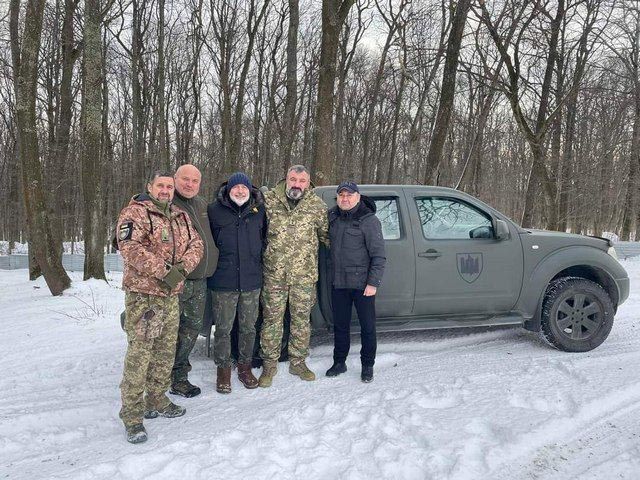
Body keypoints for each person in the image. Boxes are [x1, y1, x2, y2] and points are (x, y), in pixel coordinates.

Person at [116, 171, 204, 444]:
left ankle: (157, 399)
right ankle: (132, 414)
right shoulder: (136, 213)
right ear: (150, 187)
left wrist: (182, 269)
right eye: (160, 185)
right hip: (145, 297)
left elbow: (197, 244)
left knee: (165, 352)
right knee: (140, 354)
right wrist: (166, 272)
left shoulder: (180, 215)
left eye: (169, 186)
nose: (166, 190)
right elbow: (129, 247)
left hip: (170, 296)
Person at [258, 165, 329, 387]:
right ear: (286, 179)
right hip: (274, 276)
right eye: (293, 179)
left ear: (308, 183)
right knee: (271, 321)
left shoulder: (316, 205)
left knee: (301, 322)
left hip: (304, 277)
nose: (297, 184)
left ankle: (298, 362)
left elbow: (327, 236)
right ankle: (269, 364)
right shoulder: (268, 201)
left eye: (302, 181)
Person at [207, 172, 267, 393]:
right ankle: (223, 370)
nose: (240, 191)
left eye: (244, 187)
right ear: (228, 190)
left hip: (252, 281)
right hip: (223, 281)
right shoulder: (214, 211)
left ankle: (244, 367)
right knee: (223, 329)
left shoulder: (260, 211)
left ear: (250, 190)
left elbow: (266, 239)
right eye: (236, 187)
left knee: (248, 328)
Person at [325, 181, 385, 383]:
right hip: (339, 282)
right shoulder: (332, 217)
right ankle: (339, 362)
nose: (345, 198)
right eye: (341, 195)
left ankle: (367, 365)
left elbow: (379, 256)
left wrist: (373, 283)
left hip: (363, 285)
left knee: (367, 327)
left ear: (358, 197)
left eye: (349, 195)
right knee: (340, 326)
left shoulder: (369, 221)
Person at [170, 164, 219, 398]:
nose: (189, 184)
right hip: (175, 282)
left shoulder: (201, 205)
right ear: (175, 179)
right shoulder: (164, 203)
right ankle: (158, 379)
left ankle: (179, 377)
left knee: (190, 331)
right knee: (167, 332)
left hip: (200, 282)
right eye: (185, 179)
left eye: (195, 181)